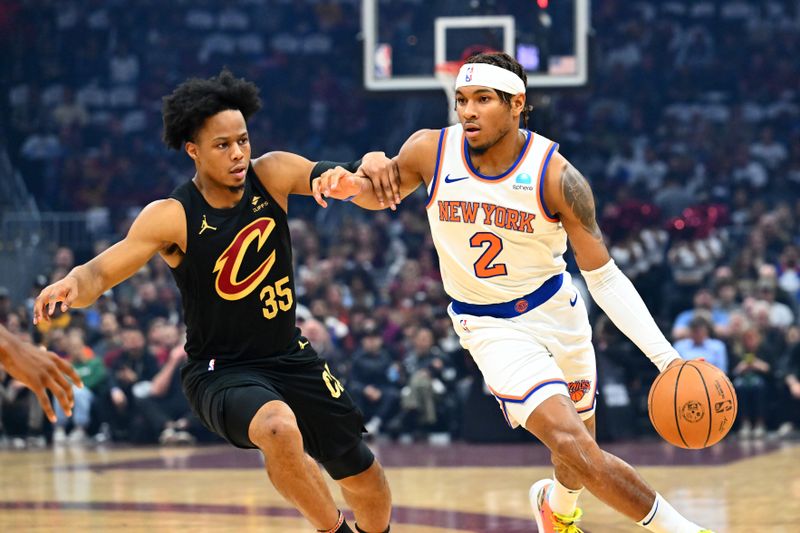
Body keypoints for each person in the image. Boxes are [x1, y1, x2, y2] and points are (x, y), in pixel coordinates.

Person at [313, 52, 714, 533]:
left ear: (517, 103)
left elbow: (603, 278)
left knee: (577, 453)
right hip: (489, 325)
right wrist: (352, 178)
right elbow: (379, 190)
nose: (468, 111)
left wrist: (666, 359)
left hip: (558, 312)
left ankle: (558, 510)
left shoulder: (556, 175)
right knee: (574, 446)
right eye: (462, 99)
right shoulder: (430, 150)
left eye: (483, 99)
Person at [33, 70, 392, 533]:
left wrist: (352, 178)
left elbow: (338, 181)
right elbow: (101, 272)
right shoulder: (173, 215)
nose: (239, 153)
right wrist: (70, 284)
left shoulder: (273, 172)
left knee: (368, 479)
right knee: (278, 428)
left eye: (242, 140)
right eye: (223, 145)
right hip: (220, 371)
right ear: (194, 150)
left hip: (289, 355)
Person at [0, 323, 82, 424]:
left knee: (40, 389)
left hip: (25, 391)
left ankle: (36, 431)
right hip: (8, 390)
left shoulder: (37, 361)